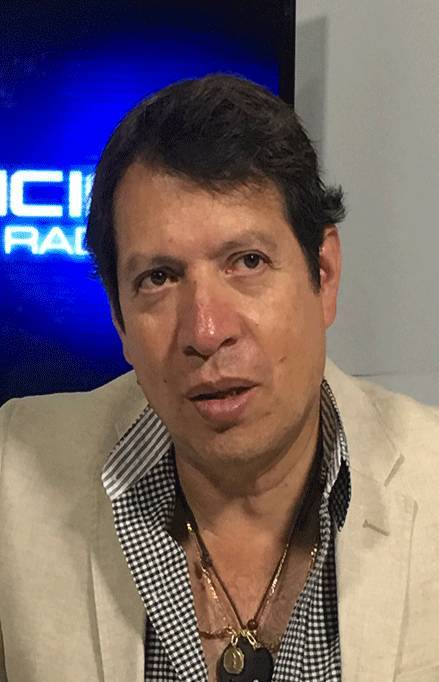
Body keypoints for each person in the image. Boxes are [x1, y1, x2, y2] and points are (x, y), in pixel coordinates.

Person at [0, 74, 438, 682]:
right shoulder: (14, 475)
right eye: (158, 278)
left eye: (247, 262)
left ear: (323, 274)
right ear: (119, 320)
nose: (205, 331)